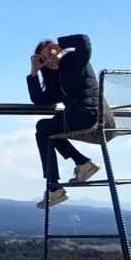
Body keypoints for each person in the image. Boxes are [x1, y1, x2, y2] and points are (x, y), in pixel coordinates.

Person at [28, 34, 103, 208]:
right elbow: (39, 100)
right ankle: (81, 164)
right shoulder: (57, 80)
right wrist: (34, 71)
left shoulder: (74, 60)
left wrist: (60, 46)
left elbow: (84, 41)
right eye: (44, 59)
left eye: (50, 54)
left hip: (88, 115)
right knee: (46, 129)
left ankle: (57, 185)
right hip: (82, 117)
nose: (49, 60)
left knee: (44, 128)